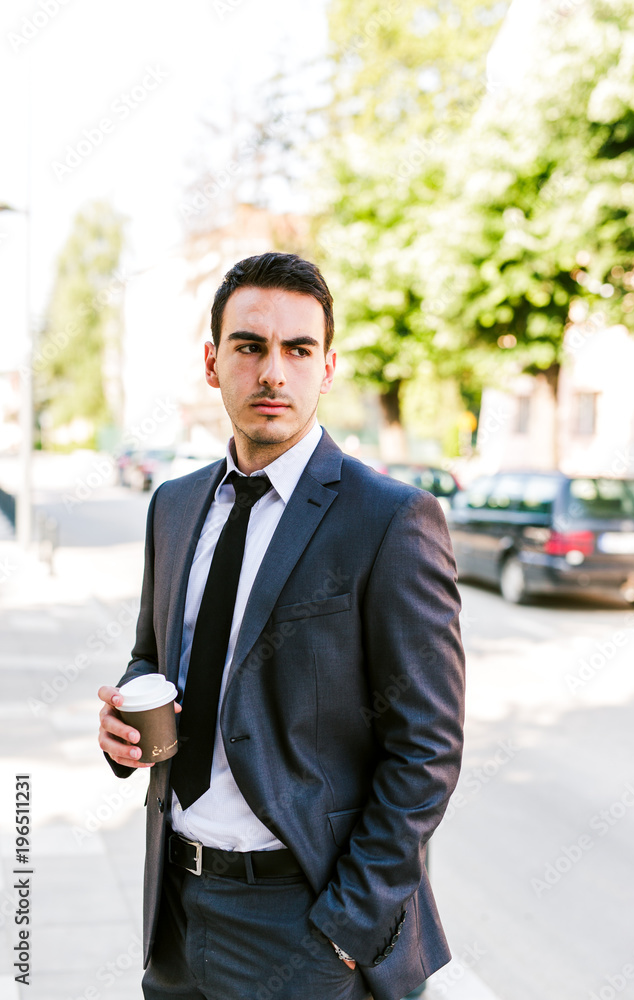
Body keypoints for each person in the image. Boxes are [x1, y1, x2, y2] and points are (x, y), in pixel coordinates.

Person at [98, 251, 465, 1000]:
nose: (273, 372)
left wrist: (347, 927)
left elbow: (428, 747)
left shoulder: (390, 519)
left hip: (302, 927)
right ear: (212, 363)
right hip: (175, 908)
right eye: (249, 346)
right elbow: (152, 656)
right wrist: (126, 722)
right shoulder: (174, 505)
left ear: (326, 368)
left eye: (298, 350)